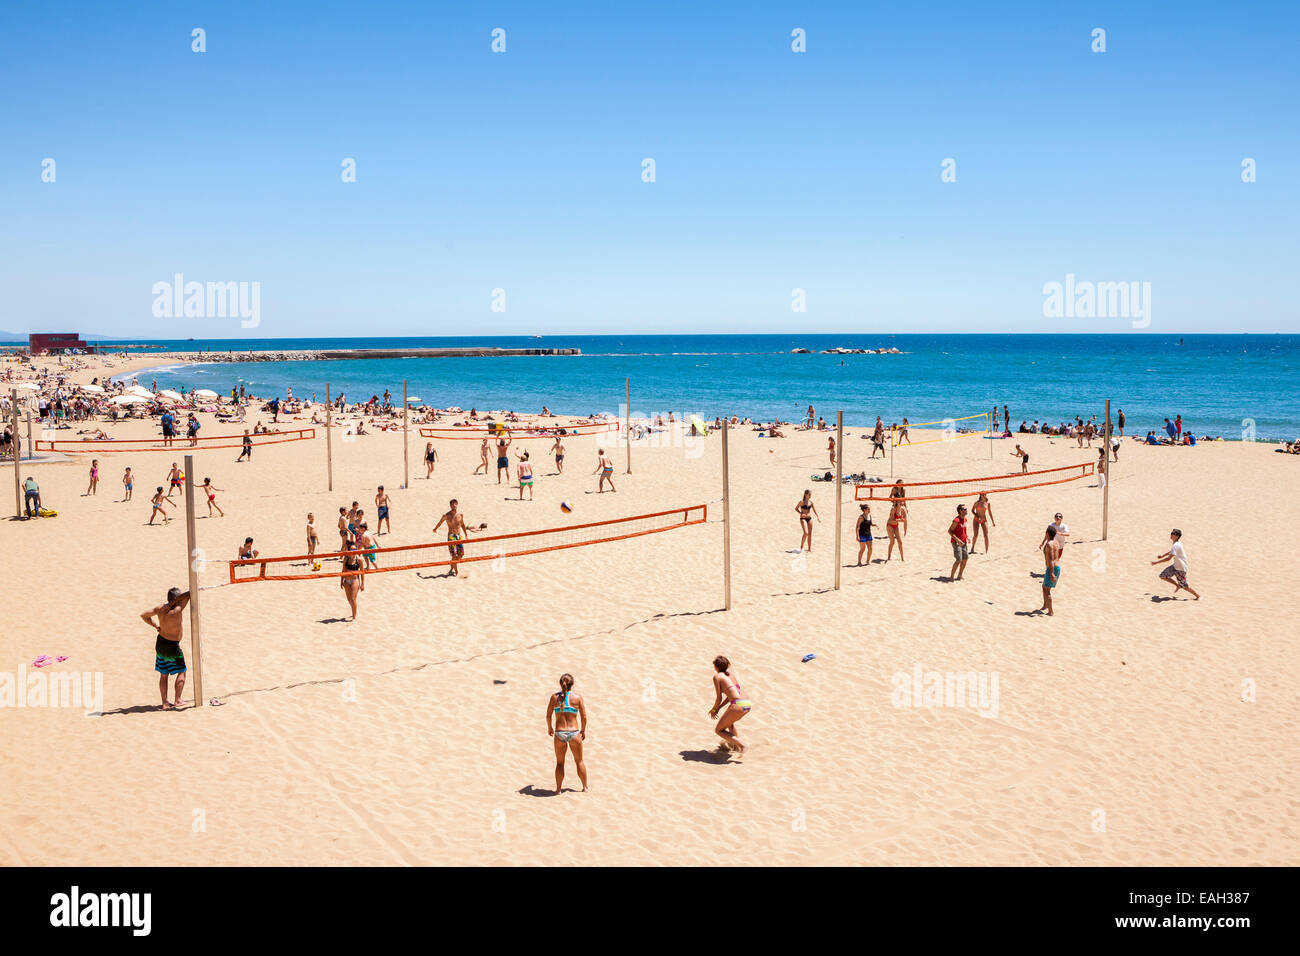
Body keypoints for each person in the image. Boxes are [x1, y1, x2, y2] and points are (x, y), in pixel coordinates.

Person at [140, 587, 191, 709]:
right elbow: (189, 595)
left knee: (164, 674)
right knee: (182, 671)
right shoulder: (177, 610)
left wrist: (156, 626)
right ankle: (178, 700)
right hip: (172, 647)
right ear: (176, 600)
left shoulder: (160, 609)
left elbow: (143, 615)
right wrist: (178, 600)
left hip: (161, 643)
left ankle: (165, 703)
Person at [547, 673, 589, 793]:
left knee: (560, 763)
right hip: (574, 732)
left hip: (559, 733)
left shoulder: (554, 698)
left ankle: (558, 789)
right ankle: (585, 787)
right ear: (572, 684)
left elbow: (548, 715)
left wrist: (549, 727)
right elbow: (584, 716)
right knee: (579, 761)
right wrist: (583, 730)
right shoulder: (577, 697)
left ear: (561, 684)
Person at [709, 656, 752, 753]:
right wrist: (719, 708)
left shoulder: (717, 677)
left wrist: (714, 710)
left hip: (737, 704)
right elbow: (732, 695)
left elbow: (719, 698)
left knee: (718, 730)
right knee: (729, 723)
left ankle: (742, 745)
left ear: (716, 666)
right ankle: (736, 747)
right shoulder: (730, 675)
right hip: (746, 702)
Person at [1152, 528, 1200, 600]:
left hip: (1181, 569)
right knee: (1162, 576)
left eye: (1173, 534)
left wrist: (1156, 563)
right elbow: (1171, 551)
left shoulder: (1176, 545)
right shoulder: (1177, 543)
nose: (1171, 535)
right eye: (1171, 533)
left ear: (1177, 536)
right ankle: (1177, 585)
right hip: (1175, 566)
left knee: (1185, 587)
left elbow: (1168, 559)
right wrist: (1162, 556)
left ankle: (1197, 596)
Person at [432, 499, 474, 577]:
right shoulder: (446, 515)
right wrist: (435, 529)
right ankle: (457, 572)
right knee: (454, 556)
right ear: (450, 506)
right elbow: (440, 522)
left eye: (455, 504)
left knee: (461, 554)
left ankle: (452, 563)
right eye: (452, 504)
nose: (454, 506)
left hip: (459, 536)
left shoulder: (460, 514)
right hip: (451, 537)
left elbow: (462, 524)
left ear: (457, 504)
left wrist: (466, 534)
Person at [1039, 526, 1062, 615]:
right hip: (1055, 567)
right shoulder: (1055, 542)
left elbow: (1052, 559)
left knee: (1047, 590)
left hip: (1052, 568)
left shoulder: (1049, 544)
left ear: (1047, 534)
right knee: (1044, 587)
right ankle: (1045, 605)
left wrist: (1051, 573)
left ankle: (1051, 611)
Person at [340, 539, 363, 620]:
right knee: (349, 599)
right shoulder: (346, 559)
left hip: (355, 580)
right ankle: (354, 609)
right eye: (352, 549)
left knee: (353, 599)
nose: (354, 551)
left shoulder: (359, 559)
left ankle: (354, 617)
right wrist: (341, 581)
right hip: (346, 580)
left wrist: (362, 584)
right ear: (349, 550)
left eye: (355, 549)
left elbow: (362, 572)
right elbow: (343, 570)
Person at [948, 504, 970, 581]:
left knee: (965, 558)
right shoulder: (956, 520)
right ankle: (951, 577)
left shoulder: (965, 519)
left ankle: (960, 575)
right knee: (958, 560)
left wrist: (967, 537)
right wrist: (958, 540)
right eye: (965, 509)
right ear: (960, 511)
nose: (966, 510)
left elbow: (963, 530)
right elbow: (949, 531)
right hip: (956, 542)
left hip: (963, 542)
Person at [885, 497, 906, 561]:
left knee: (900, 542)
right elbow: (891, 521)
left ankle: (902, 558)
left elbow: (905, 520)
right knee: (892, 542)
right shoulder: (893, 509)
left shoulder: (902, 510)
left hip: (896, 525)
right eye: (900, 501)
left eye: (902, 501)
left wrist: (905, 530)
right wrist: (900, 520)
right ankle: (888, 557)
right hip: (890, 525)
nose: (902, 502)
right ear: (897, 502)